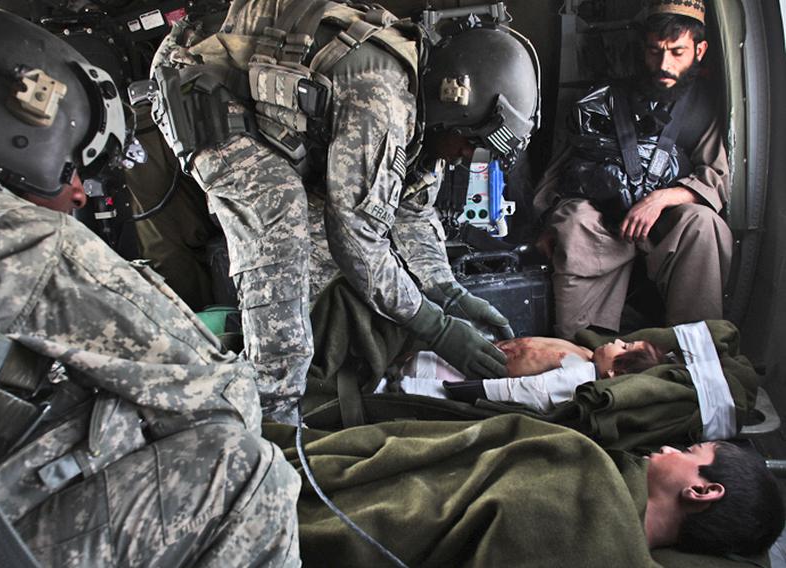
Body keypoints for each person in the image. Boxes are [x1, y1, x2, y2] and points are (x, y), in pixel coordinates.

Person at [0, 6, 299, 567]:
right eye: (74, 163)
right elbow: (216, 393)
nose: (78, 192)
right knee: (246, 470)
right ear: (26, 118)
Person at [148, 1, 541, 423]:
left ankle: (291, 371)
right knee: (281, 222)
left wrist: (448, 292)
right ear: (455, 105)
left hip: (279, 121)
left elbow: (412, 209)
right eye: (472, 143)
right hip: (202, 81)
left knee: (321, 282)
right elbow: (357, 239)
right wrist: (437, 328)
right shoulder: (382, 98)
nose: (467, 156)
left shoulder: (428, 120)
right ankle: (270, 420)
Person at [266, 415, 784, 566]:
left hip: (309, 508)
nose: (671, 448)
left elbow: (432, 454)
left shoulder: (587, 470)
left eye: (691, 452)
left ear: (704, 491)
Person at [533, 0, 732, 339]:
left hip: (665, 224)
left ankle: (694, 350)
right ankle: (585, 350)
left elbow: (716, 178)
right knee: (574, 219)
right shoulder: (604, 101)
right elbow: (558, 175)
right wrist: (548, 219)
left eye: (677, 52)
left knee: (704, 224)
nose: (664, 64)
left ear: (700, 50)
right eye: (655, 51)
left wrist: (662, 199)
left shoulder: (702, 109)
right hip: (602, 222)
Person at [394, 337, 666, 412]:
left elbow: (524, 391)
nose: (617, 341)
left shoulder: (578, 377)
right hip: (460, 359)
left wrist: (450, 391)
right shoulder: (586, 353)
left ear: (613, 372)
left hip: (454, 380)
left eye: (624, 347)